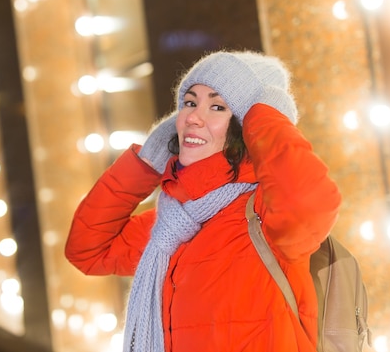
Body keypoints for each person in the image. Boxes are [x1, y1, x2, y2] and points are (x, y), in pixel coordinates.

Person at [65, 50, 341, 352]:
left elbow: (309, 200)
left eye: (218, 106)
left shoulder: (265, 217)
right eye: (190, 103)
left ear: (244, 127)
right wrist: (146, 163)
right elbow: (88, 249)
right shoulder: (173, 227)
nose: (193, 117)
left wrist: (265, 115)